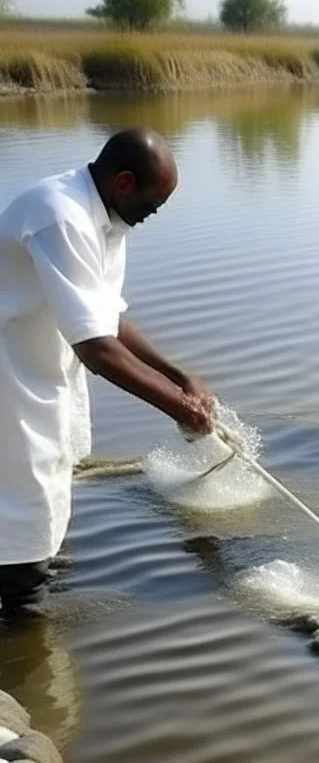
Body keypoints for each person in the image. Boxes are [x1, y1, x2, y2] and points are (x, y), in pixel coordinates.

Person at [0, 128, 214, 614]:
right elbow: (97, 349)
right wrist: (180, 409)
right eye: (153, 202)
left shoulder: (108, 220)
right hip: (8, 371)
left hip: (37, 363)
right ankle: (23, 629)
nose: (154, 214)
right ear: (123, 182)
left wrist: (180, 377)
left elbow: (107, 317)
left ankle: (27, 580)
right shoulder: (62, 216)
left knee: (45, 481)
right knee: (20, 494)